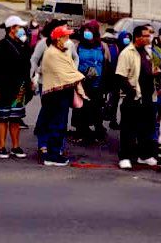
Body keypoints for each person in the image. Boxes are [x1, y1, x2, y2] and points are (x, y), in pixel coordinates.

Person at [36, 25, 86, 166]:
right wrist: (81, 76)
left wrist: (76, 75)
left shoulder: (62, 51)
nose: (68, 39)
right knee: (56, 124)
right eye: (65, 37)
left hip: (62, 93)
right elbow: (65, 74)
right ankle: (52, 156)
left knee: (60, 124)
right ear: (58, 39)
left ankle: (55, 152)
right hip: (55, 94)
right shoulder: (52, 53)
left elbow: (70, 69)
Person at [116, 25, 159, 170]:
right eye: (146, 35)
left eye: (150, 35)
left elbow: (150, 70)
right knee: (128, 129)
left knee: (146, 128)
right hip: (133, 98)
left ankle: (144, 155)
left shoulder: (149, 52)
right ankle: (125, 157)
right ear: (138, 37)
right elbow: (120, 76)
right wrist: (131, 92)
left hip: (148, 97)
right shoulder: (127, 53)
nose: (149, 38)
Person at [0, 15, 32, 160]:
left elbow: (27, 64)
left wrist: (29, 83)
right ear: (12, 29)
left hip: (19, 87)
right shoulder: (0, 46)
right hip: (3, 87)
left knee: (16, 118)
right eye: (19, 27)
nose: (22, 30)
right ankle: (1, 147)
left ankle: (15, 146)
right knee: (3, 118)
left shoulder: (22, 45)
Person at [73, 20, 109, 142]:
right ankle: (81, 132)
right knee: (81, 107)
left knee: (97, 107)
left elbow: (106, 64)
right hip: (82, 82)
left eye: (90, 31)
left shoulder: (102, 46)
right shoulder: (78, 46)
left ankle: (99, 131)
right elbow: (73, 63)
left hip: (97, 83)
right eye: (85, 31)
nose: (87, 33)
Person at [31, 19, 78, 92]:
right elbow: (34, 59)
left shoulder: (69, 43)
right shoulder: (43, 43)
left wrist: (73, 69)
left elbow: (76, 58)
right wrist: (38, 70)